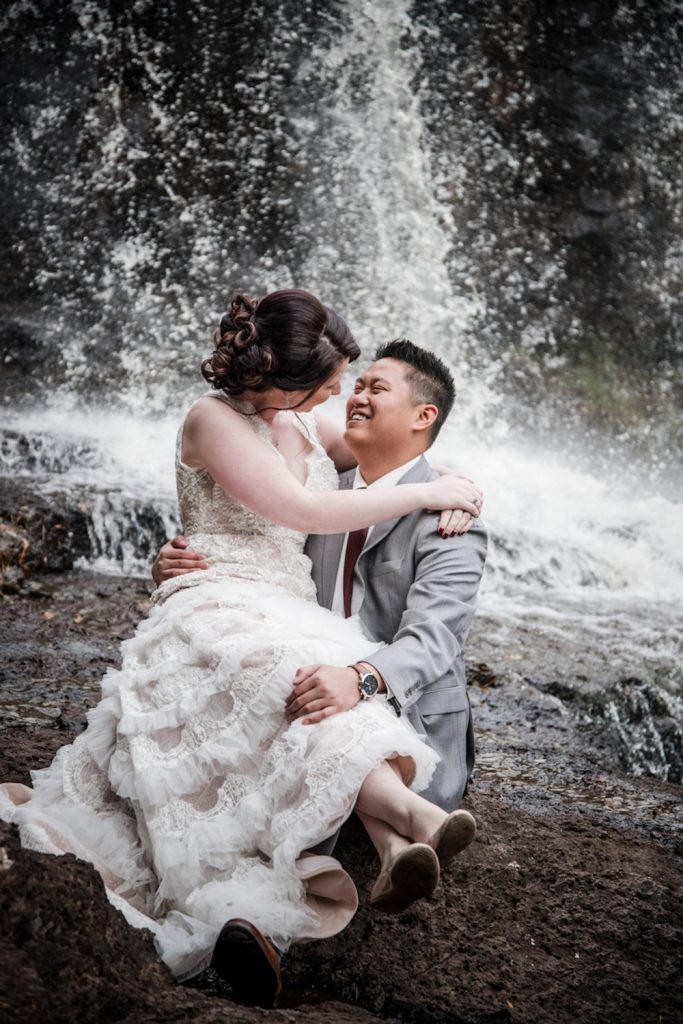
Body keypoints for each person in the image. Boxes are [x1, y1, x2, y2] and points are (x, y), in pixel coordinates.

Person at [0, 290, 482, 1009]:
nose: (342, 394)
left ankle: (400, 838)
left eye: (359, 383)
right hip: (225, 595)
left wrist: (460, 486)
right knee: (279, 687)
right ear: (288, 377)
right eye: (334, 380)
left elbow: (403, 459)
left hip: (290, 612)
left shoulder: (305, 423)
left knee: (306, 683)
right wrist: (423, 494)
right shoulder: (212, 419)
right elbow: (305, 511)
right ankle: (398, 832)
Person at [154, 337, 488, 920]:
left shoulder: (449, 524)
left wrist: (357, 678)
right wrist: (179, 560)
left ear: (424, 416)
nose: (353, 396)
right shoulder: (323, 492)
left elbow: (434, 641)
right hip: (306, 683)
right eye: (354, 385)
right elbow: (256, 551)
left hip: (399, 712)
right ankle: (390, 850)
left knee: (278, 722)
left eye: (374, 388)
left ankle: (391, 833)